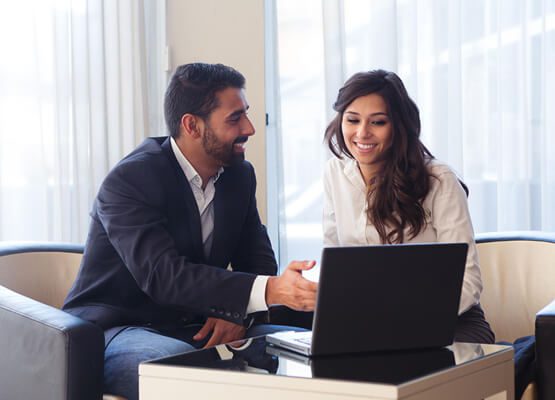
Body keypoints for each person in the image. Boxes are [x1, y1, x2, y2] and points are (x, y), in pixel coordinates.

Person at [63, 62, 318, 400]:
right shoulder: (131, 180)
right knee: (185, 374)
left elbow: (256, 260)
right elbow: (163, 275)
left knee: (311, 352)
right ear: (192, 125)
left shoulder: (239, 176)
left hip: (201, 325)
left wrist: (238, 313)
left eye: (247, 114)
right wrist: (271, 291)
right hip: (123, 327)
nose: (250, 128)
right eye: (234, 118)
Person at [322, 69, 494, 344]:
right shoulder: (334, 174)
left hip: (449, 320)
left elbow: (468, 280)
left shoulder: (439, 179)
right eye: (352, 120)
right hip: (370, 321)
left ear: (398, 126)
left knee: (403, 366)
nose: (362, 133)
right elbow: (334, 265)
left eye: (377, 122)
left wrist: (400, 321)